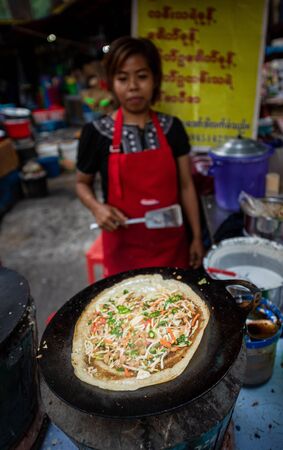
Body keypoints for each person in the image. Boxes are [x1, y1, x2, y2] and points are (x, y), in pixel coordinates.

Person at [76, 36, 204, 276]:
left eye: (142, 76)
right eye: (123, 78)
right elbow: (82, 184)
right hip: (124, 251)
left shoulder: (172, 128)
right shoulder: (96, 133)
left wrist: (196, 237)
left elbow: (186, 186)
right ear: (111, 83)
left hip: (173, 248)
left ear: (155, 80)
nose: (133, 86)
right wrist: (97, 208)